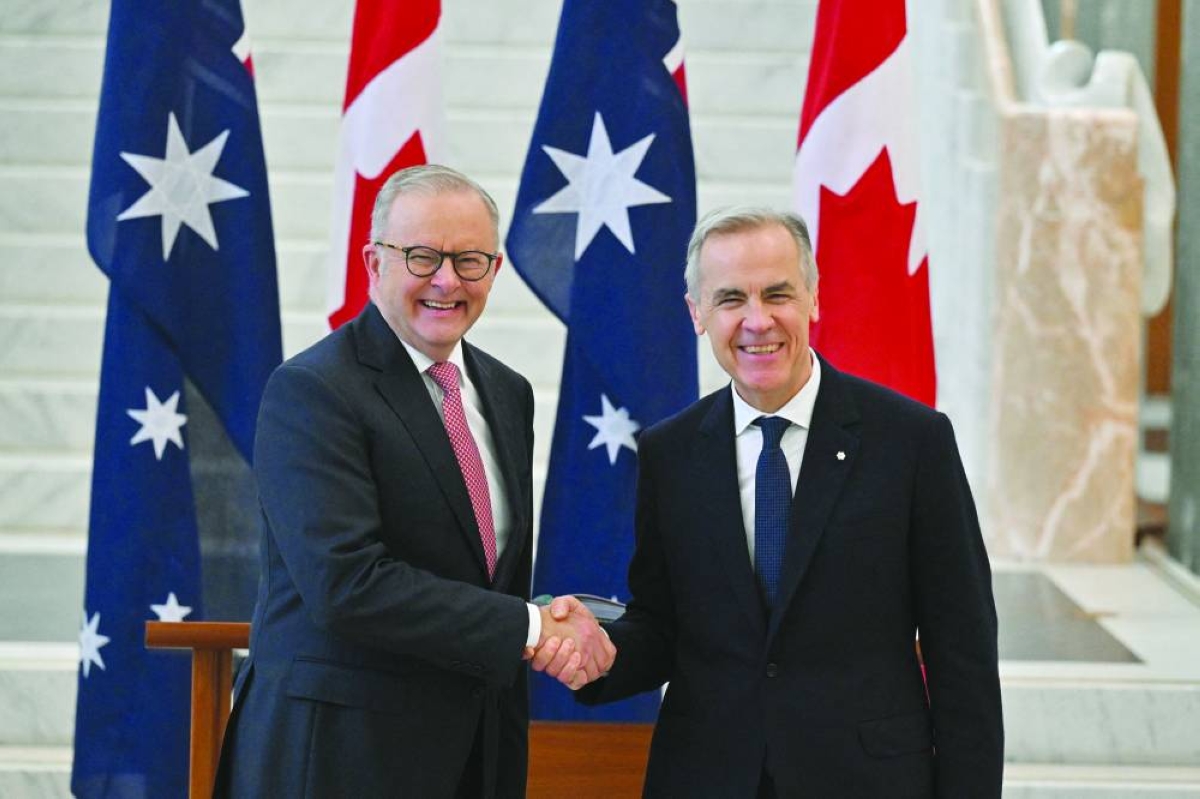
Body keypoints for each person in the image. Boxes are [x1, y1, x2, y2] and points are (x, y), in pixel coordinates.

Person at [543, 207, 1003, 796]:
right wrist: (601, 653)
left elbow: (961, 646)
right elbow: (664, 626)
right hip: (707, 776)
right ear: (697, 315)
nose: (757, 321)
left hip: (866, 779)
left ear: (813, 299)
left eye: (778, 294)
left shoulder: (912, 441)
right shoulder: (670, 453)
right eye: (731, 299)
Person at [214, 164, 613, 799]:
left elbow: (481, 577)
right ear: (374, 263)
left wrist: (538, 618)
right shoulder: (313, 391)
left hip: (474, 754)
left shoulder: (507, 393)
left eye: (470, 260)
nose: (447, 280)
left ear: (496, 269)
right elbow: (347, 583)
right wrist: (533, 630)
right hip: (339, 759)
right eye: (423, 257)